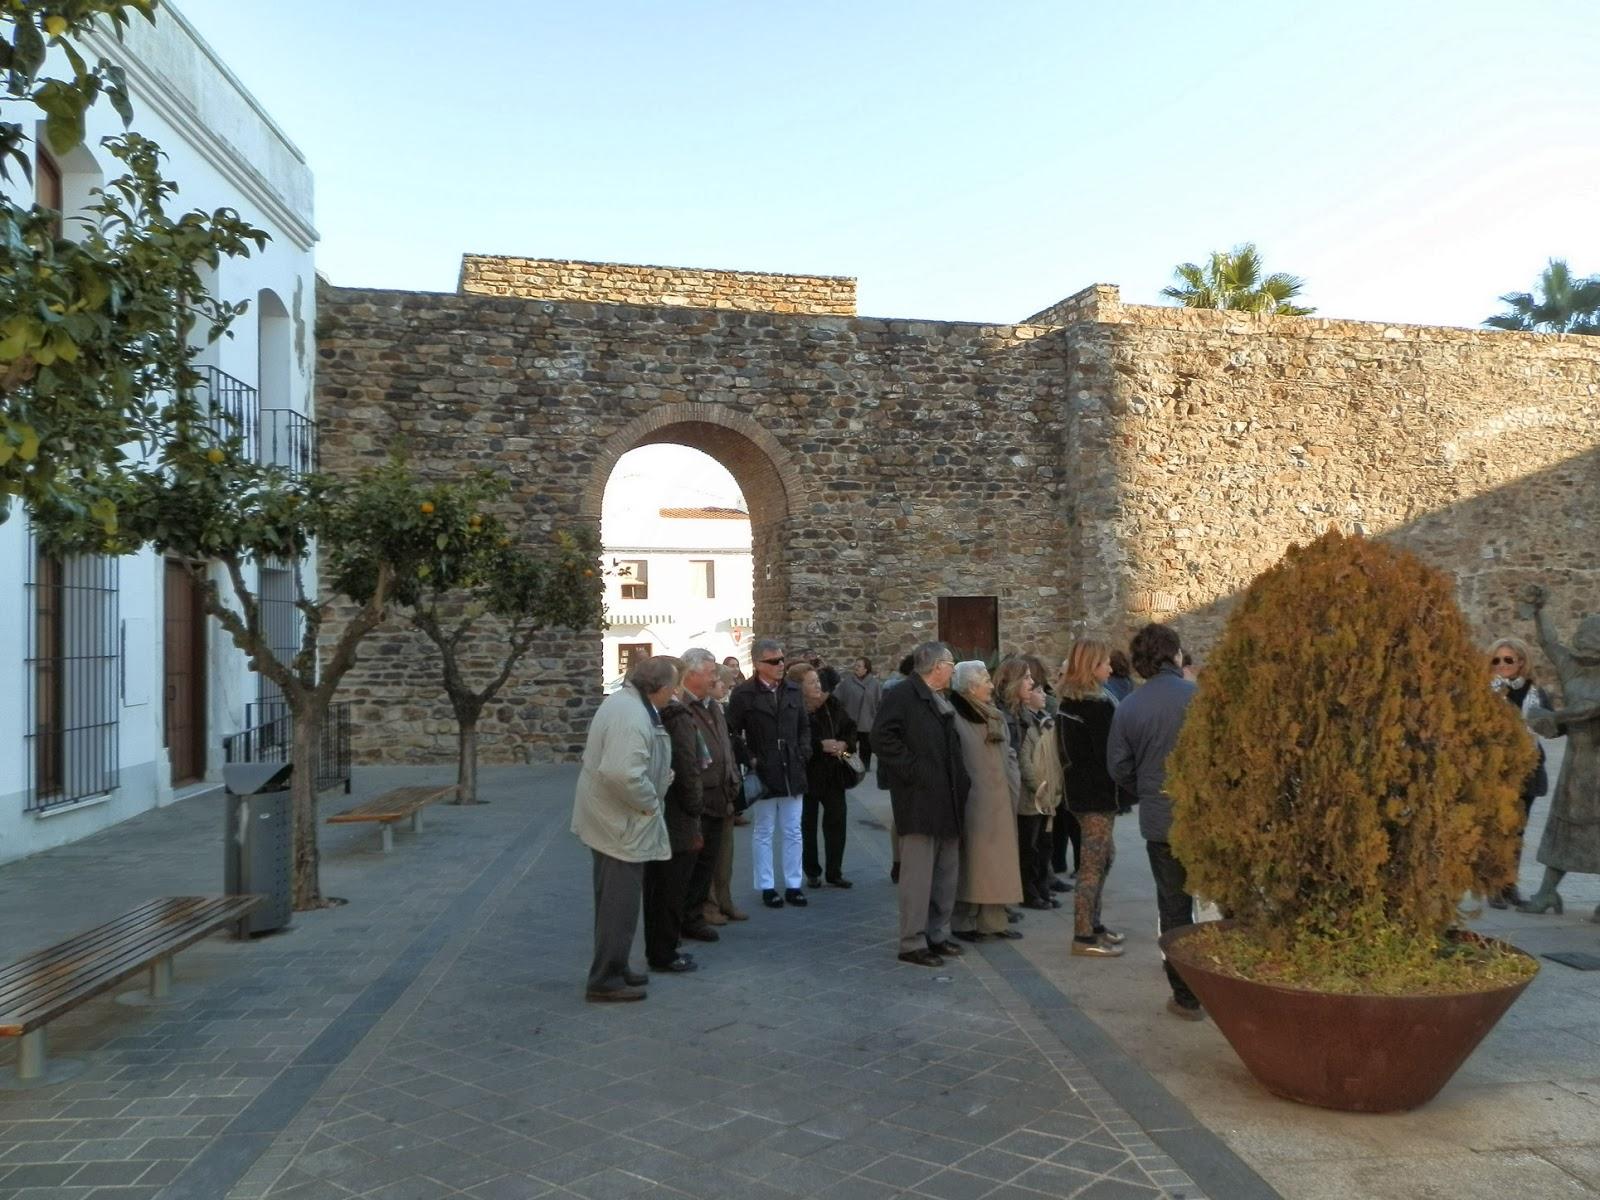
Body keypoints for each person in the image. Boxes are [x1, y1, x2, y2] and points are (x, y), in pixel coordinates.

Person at [571, 655, 678, 1002]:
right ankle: (605, 978)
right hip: (620, 824)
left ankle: (614, 967)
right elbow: (622, 773)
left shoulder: (627, 704)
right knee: (619, 904)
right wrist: (651, 799)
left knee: (616, 903)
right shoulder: (632, 715)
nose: (673, 695)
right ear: (659, 688)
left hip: (613, 821)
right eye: (672, 688)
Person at [1108, 623, 1201, 1019]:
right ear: (1175, 655)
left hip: (1160, 816)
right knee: (1224, 902)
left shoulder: (1129, 706)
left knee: (1175, 906)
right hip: (1203, 814)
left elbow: (1118, 766)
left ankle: (1186, 995)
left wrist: (1146, 786)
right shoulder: (1197, 698)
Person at [874, 642, 970, 967]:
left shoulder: (942, 698)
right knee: (917, 876)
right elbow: (882, 738)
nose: (954, 669)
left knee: (945, 873)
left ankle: (937, 934)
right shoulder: (902, 695)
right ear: (937, 666)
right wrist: (916, 771)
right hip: (919, 801)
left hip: (948, 799)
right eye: (951, 663)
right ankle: (912, 941)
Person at [1517, 585, 1598, 920]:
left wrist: (1552, 718)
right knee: (1563, 827)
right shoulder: (1574, 669)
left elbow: (1589, 710)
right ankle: (1547, 892)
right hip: (1577, 764)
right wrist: (1539, 611)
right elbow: (1550, 644)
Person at [726, 636, 811, 909]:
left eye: (782, 659)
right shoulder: (744, 694)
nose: (781, 665)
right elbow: (731, 732)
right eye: (774, 661)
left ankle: (794, 884)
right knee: (764, 829)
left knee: (793, 830)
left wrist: (803, 751)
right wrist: (748, 758)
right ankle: (766, 885)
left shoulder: (793, 691)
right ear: (758, 663)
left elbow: (804, 726)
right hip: (763, 769)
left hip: (792, 767)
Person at [1056, 638, 1126, 957]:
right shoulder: (1091, 705)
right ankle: (1083, 936)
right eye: (1104, 663)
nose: (1110, 668)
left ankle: (1093, 924)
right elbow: (1108, 752)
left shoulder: (1080, 701)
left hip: (1088, 794)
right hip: (1094, 796)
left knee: (1103, 857)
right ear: (1090, 667)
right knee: (1092, 864)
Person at [950, 660, 1024, 942]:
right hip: (974, 803)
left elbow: (1010, 755)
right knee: (972, 864)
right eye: (986, 682)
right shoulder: (955, 717)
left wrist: (1013, 787)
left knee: (997, 865)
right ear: (971, 687)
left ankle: (993, 922)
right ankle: (964, 922)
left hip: (1000, 801)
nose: (992, 686)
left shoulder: (994, 716)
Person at [647, 667, 711, 974]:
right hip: (678, 815)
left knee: (658, 887)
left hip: (660, 811)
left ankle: (659, 947)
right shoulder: (679, 717)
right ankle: (666, 952)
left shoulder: (655, 714)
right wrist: (696, 806)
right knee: (672, 887)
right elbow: (688, 767)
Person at [1487, 636, 1552, 909]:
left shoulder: (1536, 693)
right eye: (1496, 660)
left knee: (1517, 831)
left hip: (1528, 768)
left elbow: (1551, 726)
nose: (1502, 665)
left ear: (1522, 662)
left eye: (1508, 660)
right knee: (1496, 829)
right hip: (1495, 770)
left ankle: (1509, 885)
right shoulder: (1483, 691)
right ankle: (1493, 887)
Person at [678, 649, 741, 931]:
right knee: (697, 861)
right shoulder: (682, 707)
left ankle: (714, 905)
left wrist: (732, 778)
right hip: (700, 797)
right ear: (691, 675)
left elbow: (724, 747)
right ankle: (696, 913)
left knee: (717, 858)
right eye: (711, 673)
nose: (716, 678)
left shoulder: (712, 706)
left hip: (721, 794)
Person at [999, 661, 1059, 912]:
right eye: (1026, 678)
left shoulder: (1024, 715)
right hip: (1021, 793)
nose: (1032, 684)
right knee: (1026, 847)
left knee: (1037, 846)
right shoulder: (1007, 716)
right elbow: (1018, 757)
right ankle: (1025, 893)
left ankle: (1036, 888)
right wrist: (1039, 785)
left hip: (1033, 792)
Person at [799, 662, 858, 888]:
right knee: (808, 825)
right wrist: (819, 745)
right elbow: (796, 740)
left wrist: (844, 743)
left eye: (820, 686)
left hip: (834, 775)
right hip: (808, 775)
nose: (820, 691)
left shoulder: (833, 705)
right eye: (814, 684)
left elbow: (850, 727)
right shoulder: (798, 709)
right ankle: (812, 871)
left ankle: (835, 871)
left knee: (836, 823)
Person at [707, 665, 749, 923]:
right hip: (709, 794)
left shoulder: (718, 709)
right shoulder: (696, 711)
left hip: (725, 791)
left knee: (725, 855)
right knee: (709, 856)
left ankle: (725, 900)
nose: (727, 687)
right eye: (723, 683)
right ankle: (710, 904)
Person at [834, 657, 883, 775]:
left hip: (867, 722)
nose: (856, 668)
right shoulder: (847, 682)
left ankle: (864, 766)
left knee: (866, 748)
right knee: (848, 748)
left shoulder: (874, 684)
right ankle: (850, 765)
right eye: (855, 665)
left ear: (866, 669)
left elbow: (879, 702)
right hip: (850, 721)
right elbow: (836, 699)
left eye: (859, 666)